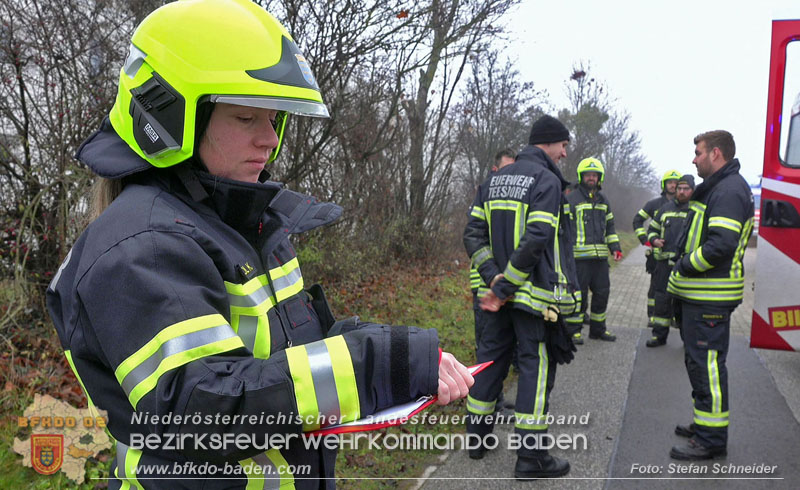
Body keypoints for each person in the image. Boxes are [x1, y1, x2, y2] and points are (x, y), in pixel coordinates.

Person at [45, 1, 473, 488]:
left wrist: (402, 356)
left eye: (273, 119)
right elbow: (201, 405)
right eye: (247, 117)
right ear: (169, 115)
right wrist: (373, 361)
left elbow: (288, 350)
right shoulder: (143, 245)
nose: (269, 139)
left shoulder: (238, 224)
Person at [463, 115, 579, 479]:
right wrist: (505, 286)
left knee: (489, 363)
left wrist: (493, 281)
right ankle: (531, 458)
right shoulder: (545, 181)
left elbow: (473, 236)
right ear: (548, 143)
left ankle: (477, 438)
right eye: (563, 145)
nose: (564, 154)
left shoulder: (493, 180)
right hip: (530, 298)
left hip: (494, 296)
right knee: (535, 367)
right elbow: (538, 237)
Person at [667, 130, 754, 460]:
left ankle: (712, 440)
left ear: (716, 154)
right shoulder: (719, 188)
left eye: (698, 153)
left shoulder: (729, 191)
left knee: (709, 367)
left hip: (710, 298)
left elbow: (720, 245)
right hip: (699, 296)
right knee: (697, 363)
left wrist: (684, 264)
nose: (693, 159)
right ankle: (705, 425)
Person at [470, 149, 517, 412]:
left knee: (500, 350)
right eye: (506, 168)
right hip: (485, 287)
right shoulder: (484, 195)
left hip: (507, 290)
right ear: (495, 169)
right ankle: (488, 404)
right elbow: (476, 238)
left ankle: (495, 400)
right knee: (487, 350)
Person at [565, 158, 622, 343]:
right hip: (578, 259)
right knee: (578, 295)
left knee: (602, 293)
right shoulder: (571, 199)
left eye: (594, 175)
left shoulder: (604, 200)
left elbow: (610, 226)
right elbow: (564, 229)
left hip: (600, 260)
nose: (591, 178)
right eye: (588, 175)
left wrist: (615, 248)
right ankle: (573, 331)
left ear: (599, 178)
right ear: (582, 177)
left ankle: (598, 330)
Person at [645, 174, 694, 347]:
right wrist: (654, 240)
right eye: (679, 188)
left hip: (686, 266)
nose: (681, 191)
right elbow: (652, 229)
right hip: (664, 264)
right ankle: (659, 336)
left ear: (692, 190)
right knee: (661, 302)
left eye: (685, 189)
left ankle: (687, 340)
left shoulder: (696, 211)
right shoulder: (665, 209)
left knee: (684, 305)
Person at [633, 169, 682, 327]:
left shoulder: (685, 206)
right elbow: (637, 220)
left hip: (677, 255)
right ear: (664, 185)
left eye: (676, 183)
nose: (673, 186)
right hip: (657, 254)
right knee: (655, 287)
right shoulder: (654, 204)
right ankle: (652, 316)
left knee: (676, 287)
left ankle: (673, 316)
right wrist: (646, 240)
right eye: (670, 183)